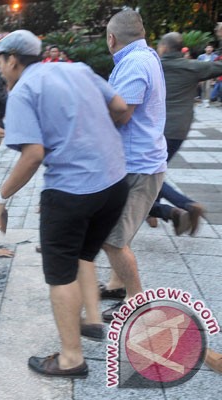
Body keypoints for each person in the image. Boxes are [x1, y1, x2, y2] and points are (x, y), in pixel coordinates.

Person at [0, 30, 129, 379]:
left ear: (14, 60)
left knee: (60, 274)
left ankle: (70, 358)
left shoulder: (23, 91)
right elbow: (121, 109)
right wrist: (91, 139)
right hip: (114, 182)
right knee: (82, 256)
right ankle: (90, 321)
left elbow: (33, 156)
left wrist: (0, 197)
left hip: (71, 193)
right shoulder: (77, 69)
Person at [99, 10, 168, 321]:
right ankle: (116, 284)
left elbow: (122, 113)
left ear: (112, 39)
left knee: (112, 238)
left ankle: (136, 300)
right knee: (114, 232)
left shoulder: (135, 63)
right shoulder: (144, 57)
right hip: (136, 162)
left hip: (139, 166)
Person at [146, 32, 222, 235]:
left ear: (163, 47)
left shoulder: (153, 67)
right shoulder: (193, 67)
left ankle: (185, 206)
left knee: (144, 174)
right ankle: (155, 211)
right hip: (179, 129)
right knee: (152, 172)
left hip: (154, 129)